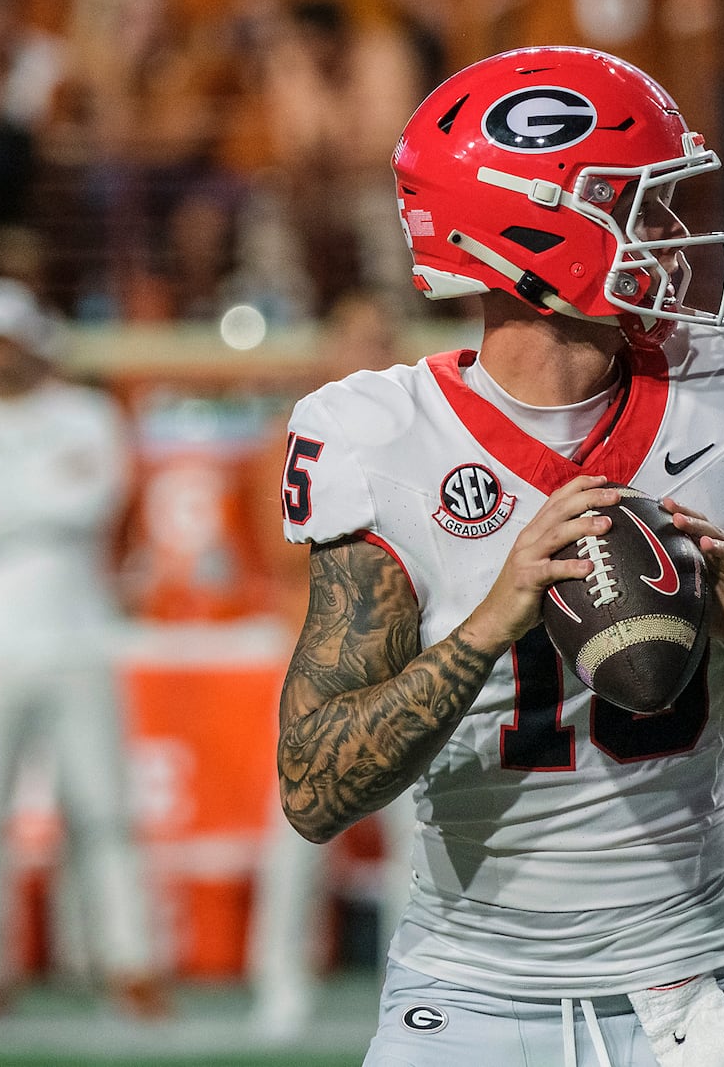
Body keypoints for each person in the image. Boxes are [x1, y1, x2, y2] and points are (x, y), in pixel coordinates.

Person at [274, 46, 724, 1067]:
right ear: (535, 222)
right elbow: (313, 789)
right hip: (471, 995)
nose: (671, 237)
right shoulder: (384, 436)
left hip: (697, 986)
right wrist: (490, 624)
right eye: (638, 204)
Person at [0, 277, 166, 1018]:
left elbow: (97, 497)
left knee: (104, 808)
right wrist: (42, 499)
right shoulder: (76, 423)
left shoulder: (86, 413)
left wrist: (3, 505)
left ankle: (131, 962)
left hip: (80, 639)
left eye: (8, 344)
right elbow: (66, 502)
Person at [247, 290, 414, 1041]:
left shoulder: (427, 438)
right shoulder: (289, 442)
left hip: (413, 658)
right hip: (327, 660)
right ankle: (279, 986)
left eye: (383, 339)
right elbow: (280, 564)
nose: (372, 354)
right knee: (296, 831)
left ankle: (411, 988)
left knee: (424, 837)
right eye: (357, 339)